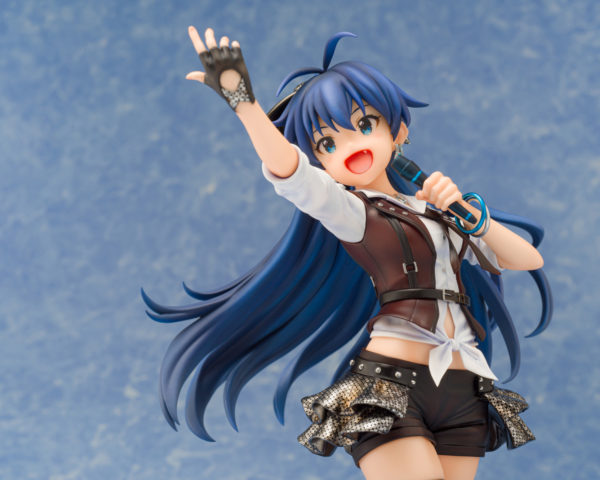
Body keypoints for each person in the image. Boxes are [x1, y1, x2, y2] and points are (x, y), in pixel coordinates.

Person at [144, 27, 552, 480]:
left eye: (364, 125)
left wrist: (470, 216)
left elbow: (525, 259)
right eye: (326, 144)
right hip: (392, 385)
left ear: (398, 131)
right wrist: (244, 103)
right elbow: (289, 170)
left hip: (463, 387)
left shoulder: (439, 212)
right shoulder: (351, 212)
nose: (351, 147)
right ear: (320, 161)